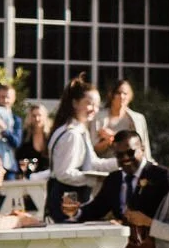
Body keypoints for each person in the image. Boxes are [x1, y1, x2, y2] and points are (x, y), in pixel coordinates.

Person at [46, 80, 117, 224]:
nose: (94, 109)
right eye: (89, 103)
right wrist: (93, 179)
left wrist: (121, 161)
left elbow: (94, 163)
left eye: (97, 105)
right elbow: (63, 173)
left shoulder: (79, 131)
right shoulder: (71, 134)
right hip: (67, 200)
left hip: (71, 198)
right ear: (75, 103)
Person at [99, 78, 149, 147]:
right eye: (118, 93)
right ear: (111, 95)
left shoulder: (138, 119)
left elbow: (143, 146)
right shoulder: (99, 117)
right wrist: (108, 141)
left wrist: (113, 136)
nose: (121, 96)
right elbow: (93, 149)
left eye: (125, 93)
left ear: (130, 96)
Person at [16, 102, 51, 176]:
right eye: (34, 116)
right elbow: (18, 157)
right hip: (29, 177)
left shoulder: (51, 135)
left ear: (45, 116)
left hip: (48, 176)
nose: (37, 119)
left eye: (39, 115)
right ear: (30, 117)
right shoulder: (24, 136)